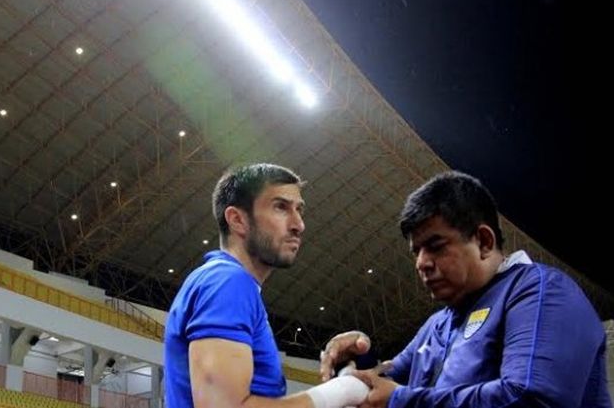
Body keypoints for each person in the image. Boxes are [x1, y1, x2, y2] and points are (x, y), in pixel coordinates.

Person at [320, 171, 612, 408]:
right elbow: (386, 376)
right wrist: (359, 356)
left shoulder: (539, 292)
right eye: (416, 252)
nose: (421, 263)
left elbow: (531, 399)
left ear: (484, 242)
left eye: (435, 247)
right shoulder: (438, 324)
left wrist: (402, 401)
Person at [165, 163, 368, 408]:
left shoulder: (230, 284)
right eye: (281, 207)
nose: (298, 225)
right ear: (238, 220)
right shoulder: (227, 282)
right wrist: (339, 392)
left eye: (299, 210)